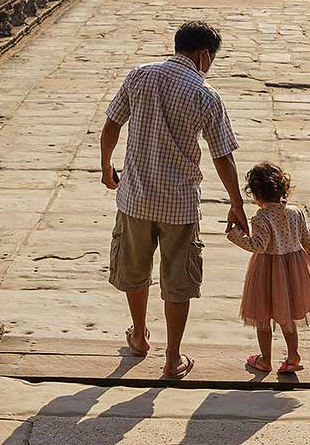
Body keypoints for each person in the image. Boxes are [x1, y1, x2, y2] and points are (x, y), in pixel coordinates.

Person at [101, 20, 246, 380]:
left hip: (134, 196)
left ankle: (138, 336)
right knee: (178, 279)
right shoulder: (205, 95)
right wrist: (236, 202)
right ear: (203, 55)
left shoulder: (139, 76)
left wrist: (106, 165)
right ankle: (172, 358)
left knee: (134, 270)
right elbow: (222, 155)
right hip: (179, 204)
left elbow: (112, 125)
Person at [227, 162, 310, 375]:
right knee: (286, 315)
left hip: (267, 270)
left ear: (255, 194)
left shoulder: (261, 217)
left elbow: (257, 246)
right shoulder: (295, 212)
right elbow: (308, 239)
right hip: (293, 270)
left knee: (263, 315)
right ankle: (293, 356)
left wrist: (235, 234)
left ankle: (265, 360)